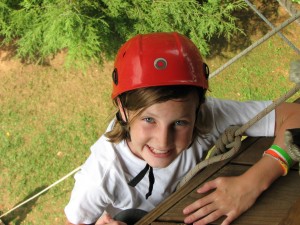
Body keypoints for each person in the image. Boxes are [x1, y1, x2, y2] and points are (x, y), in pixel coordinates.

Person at [64, 32, 300, 225]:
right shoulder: (103, 174)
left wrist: (252, 184)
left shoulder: (206, 116)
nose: (163, 141)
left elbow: (294, 115)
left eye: (179, 123)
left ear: (198, 109)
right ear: (123, 110)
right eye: (149, 120)